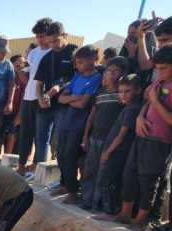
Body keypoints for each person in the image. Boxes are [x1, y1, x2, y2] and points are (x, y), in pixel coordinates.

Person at [115, 45, 172, 231]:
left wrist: (155, 101)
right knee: (129, 174)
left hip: (159, 141)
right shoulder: (158, 83)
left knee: (147, 180)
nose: (158, 72)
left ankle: (140, 220)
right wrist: (140, 117)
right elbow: (147, 103)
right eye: (157, 68)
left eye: (163, 68)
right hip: (142, 136)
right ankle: (124, 214)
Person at [34, 21, 78, 192]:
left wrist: (57, 89)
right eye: (50, 42)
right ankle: (41, 172)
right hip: (46, 104)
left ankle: (65, 181)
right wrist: (40, 98)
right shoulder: (47, 57)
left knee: (62, 144)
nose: (53, 45)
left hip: (66, 106)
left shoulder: (75, 52)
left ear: (65, 36)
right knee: (41, 139)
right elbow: (38, 83)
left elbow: (78, 77)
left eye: (56, 41)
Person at [80, 57, 127, 210]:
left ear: (122, 75)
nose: (111, 74)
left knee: (103, 173)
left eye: (115, 71)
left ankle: (98, 204)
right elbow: (91, 118)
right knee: (90, 171)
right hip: (95, 138)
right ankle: (87, 200)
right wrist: (85, 137)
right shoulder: (100, 94)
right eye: (108, 71)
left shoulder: (122, 96)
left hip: (110, 141)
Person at [57, 45, 102, 203]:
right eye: (77, 62)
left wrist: (72, 99)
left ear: (93, 60)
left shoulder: (96, 78)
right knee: (60, 154)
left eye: (81, 62)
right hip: (67, 121)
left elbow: (83, 104)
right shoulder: (77, 76)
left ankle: (73, 192)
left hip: (81, 124)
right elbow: (61, 98)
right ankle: (66, 185)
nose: (78, 65)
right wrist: (74, 98)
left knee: (70, 156)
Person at [93, 74, 142, 215]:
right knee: (109, 181)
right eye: (121, 92)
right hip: (116, 151)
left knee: (110, 182)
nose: (123, 95)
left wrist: (107, 152)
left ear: (137, 91)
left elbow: (122, 135)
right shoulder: (128, 107)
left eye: (127, 91)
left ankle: (112, 212)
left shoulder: (132, 109)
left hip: (118, 152)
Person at [17, 17, 52, 175]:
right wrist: (18, 70)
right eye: (37, 36)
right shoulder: (33, 53)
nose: (39, 39)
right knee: (25, 133)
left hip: (43, 99)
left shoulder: (53, 53)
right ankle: (22, 165)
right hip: (27, 98)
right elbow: (27, 78)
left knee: (41, 136)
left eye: (42, 35)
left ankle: (38, 168)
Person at [3, 54, 28, 154]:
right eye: (19, 63)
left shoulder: (24, 79)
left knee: (12, 136)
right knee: (5, 136)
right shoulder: (7, 77)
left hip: (18, 113)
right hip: (5, 113)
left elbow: (24, 98)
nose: (22, 65)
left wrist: (19, 115)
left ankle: (8, 158)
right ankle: (5, 158)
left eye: (23, 63)